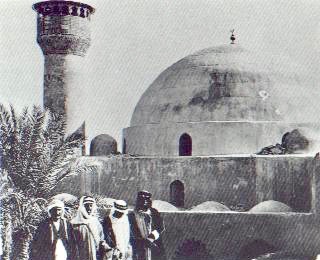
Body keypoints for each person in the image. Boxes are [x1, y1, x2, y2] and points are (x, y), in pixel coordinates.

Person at [128, 191, 166, 260]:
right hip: (140, 249)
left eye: (147, 199)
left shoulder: (154, 213)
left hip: (154, 246)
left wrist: (151, 237)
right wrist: (143, 242)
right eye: (142, 200)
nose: (144, 202)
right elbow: (132, 234)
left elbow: (160, 226)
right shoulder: (131, 216)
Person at [71, 195, 105, 260]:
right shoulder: (74, 223)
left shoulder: (95, 222)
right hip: (80, 255)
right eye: (86, 206)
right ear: (82, 207)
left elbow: (101, 238)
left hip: (95, 254)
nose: (89, 208)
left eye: (91, 205)